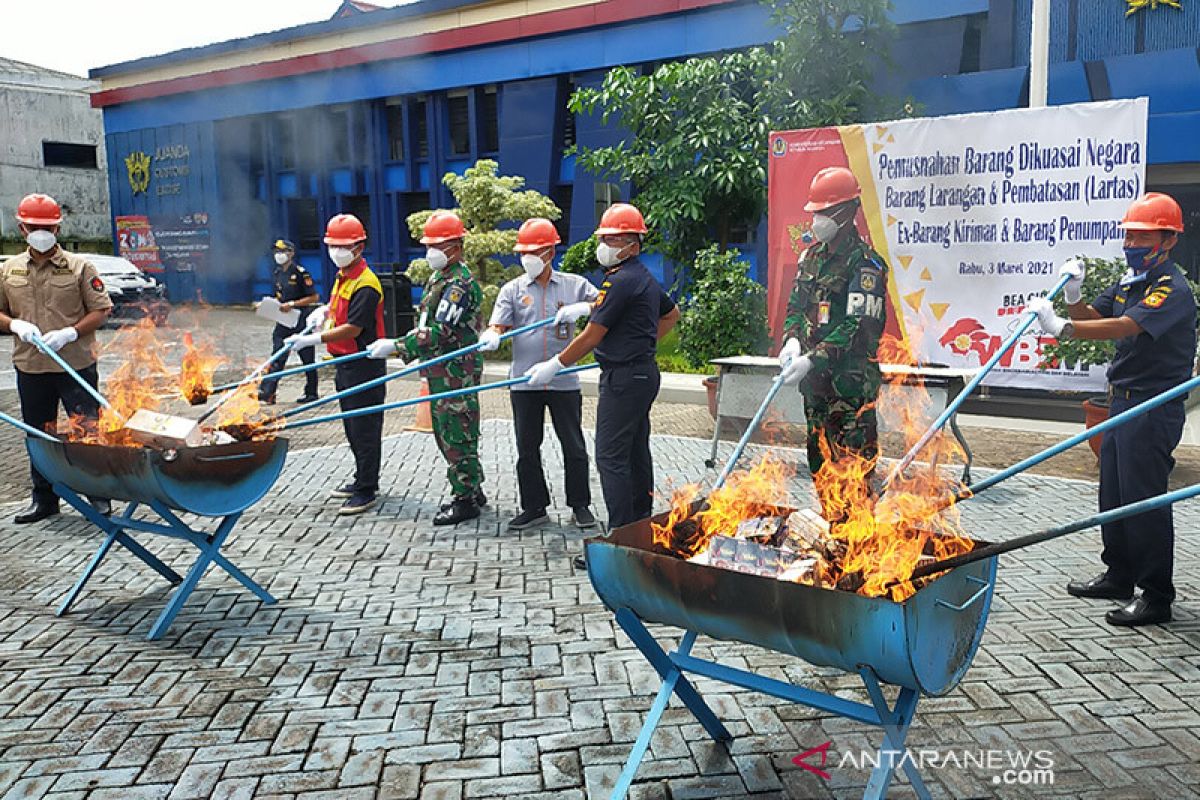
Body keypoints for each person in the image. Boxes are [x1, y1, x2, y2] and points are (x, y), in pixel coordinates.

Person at [1030, 192, 1195, 627]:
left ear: (1168, 239)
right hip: (1120, 399)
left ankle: (1156, 595)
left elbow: (1127, 326)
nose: (1132, 243)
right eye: (1129, 234)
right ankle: (1119, 574)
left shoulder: (1170, 290)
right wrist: (1072, 293)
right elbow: (1093, 315)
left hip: (1152, 405)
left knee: (1143, 499)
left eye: (1142, 235)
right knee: (1115, 494)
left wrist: (1063, 327)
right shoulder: (1129, 282)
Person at [525, 203, 680, 534]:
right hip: (641, 373)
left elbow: (592, 335)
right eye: (605, 238)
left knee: (611, 457)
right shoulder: (641, 276)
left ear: (632, 243)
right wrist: (641, 342)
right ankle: (640, 527)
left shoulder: (621, 280)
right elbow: (671, 314)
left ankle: (620, 536)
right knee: (636, 451)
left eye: (612, 239)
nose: (605, 246)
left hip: (624, 378)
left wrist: (555, 364)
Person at [777, 167, 888, 522]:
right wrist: (792, 340)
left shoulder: (866, 264)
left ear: (846, 212)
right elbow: (795, 307)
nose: (817, 219)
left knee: (854, 477)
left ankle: (858, 548)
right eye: (815, 212)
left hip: (850, 389)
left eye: (824, 212)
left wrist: (813, 358)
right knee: (821, 468)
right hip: (817, 391)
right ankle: (833, 540)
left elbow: (858, 327)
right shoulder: (812, 257)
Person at [479, 218, 599, 531]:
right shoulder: (512, 289)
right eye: (523, 252)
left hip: (563, 380)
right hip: (525, 381)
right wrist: (492, 335)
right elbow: (499, 324)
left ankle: (580, 506)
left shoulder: (573, 284)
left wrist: (583, 309)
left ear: (550, 251)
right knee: (526, 447)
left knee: (573, 445)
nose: (527, 258)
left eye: (534, 251)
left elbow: (604, 302)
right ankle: (534, 507)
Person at [0, 193, 113, 523]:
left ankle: (100, 497)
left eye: (47, 227)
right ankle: (44, 499)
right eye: (34, 226)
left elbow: (102, 309)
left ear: (58, 228)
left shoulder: (80, 268)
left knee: (88, 432)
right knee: (37, 434)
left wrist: (71, 333)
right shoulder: (9, 270)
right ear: (22, 229)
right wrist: (14, 325)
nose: (41, 232)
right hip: (31, 367)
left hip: (75, 365)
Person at [368, 211, 484, 526]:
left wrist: (396, 346)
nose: (430, 251)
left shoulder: (458, 284)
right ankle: (473, 488)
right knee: (449, 427)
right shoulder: (440, 277)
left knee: (455, 430)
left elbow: (441, 331)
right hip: (440, 369)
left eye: (437, 244)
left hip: (455, 370)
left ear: (456, 246)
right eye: (429, 244)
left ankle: (465, 499)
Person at [287, 214, 385, 516]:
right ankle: (360, 479)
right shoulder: (345, 276)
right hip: (344, 363)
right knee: (351, 427)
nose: (335, 251)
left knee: (365, 428)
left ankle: (367, 489)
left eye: (342, 246)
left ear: (359, 247)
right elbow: (339, 312)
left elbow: (353, 328)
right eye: (332, 245)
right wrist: (323, 312)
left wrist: (312, 340)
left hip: (363, 364)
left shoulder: (366, 283)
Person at [258, 239, 321, 404]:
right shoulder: (278, 273)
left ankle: (311, 392)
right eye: (276, 252)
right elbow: (279, 296)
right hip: (284, 321)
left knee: (307, 358)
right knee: (277, 355)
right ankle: (268, 392)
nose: (278, 255)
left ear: (291, 253)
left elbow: (314, 297)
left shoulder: (301, 272)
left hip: (300, 320)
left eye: (282, 251)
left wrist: (292, 304)